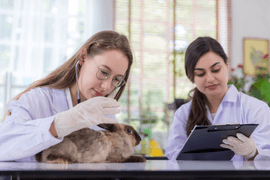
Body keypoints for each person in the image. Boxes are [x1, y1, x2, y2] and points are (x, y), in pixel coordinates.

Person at [0, 30, 133, 162]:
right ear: (83, 57)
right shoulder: (38, 100)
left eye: (116, 80)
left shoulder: (105, 115)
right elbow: (3, 146)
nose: (107, 86)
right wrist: (60, 124)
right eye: (104, 72)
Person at [166, 36, 270, 161]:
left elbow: (267, 159)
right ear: (191, 77)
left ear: (226, 65)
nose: (210, 79)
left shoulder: (256, 109)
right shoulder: (183, 114)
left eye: (215, 70)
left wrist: (253, 152)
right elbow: (173, 158)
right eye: (200, 73)